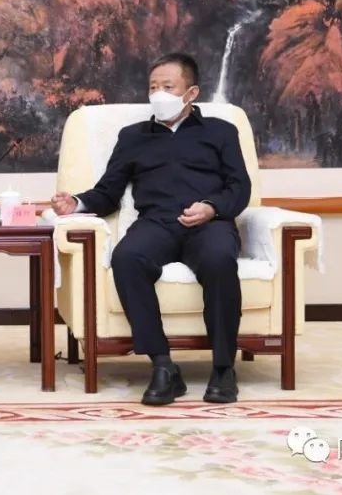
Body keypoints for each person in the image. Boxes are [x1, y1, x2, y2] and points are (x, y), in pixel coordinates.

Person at [51, 53, 251, 405]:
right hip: (157, 223)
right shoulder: (133, 137)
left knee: (219, 259)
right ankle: (163, 366)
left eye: (168, 87)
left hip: (209, 222)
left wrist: (211, 207)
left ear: (191, 93)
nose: (158, 94)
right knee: (127, 258)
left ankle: (223, 368)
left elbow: (240, 187)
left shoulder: (221, 132)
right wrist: (77, 203)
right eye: (153, 87)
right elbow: (108, 192)